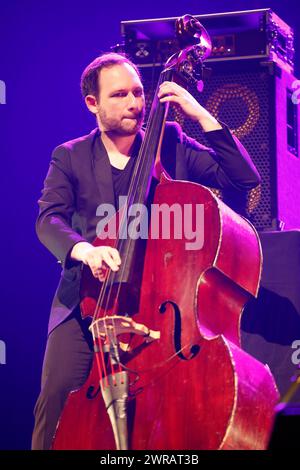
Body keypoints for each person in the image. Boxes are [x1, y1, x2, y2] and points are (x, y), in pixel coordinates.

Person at [32, 52, 261, 450]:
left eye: (138, 92)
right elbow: (48, 220)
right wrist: (85, 250)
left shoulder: (170, 141)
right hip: (89, 302)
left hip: (159, 303)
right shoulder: (69, 156)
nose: (135, 103)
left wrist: (199, 113)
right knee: (56, 400)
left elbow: (243, 177)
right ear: (93, 103)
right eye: (119, 95)